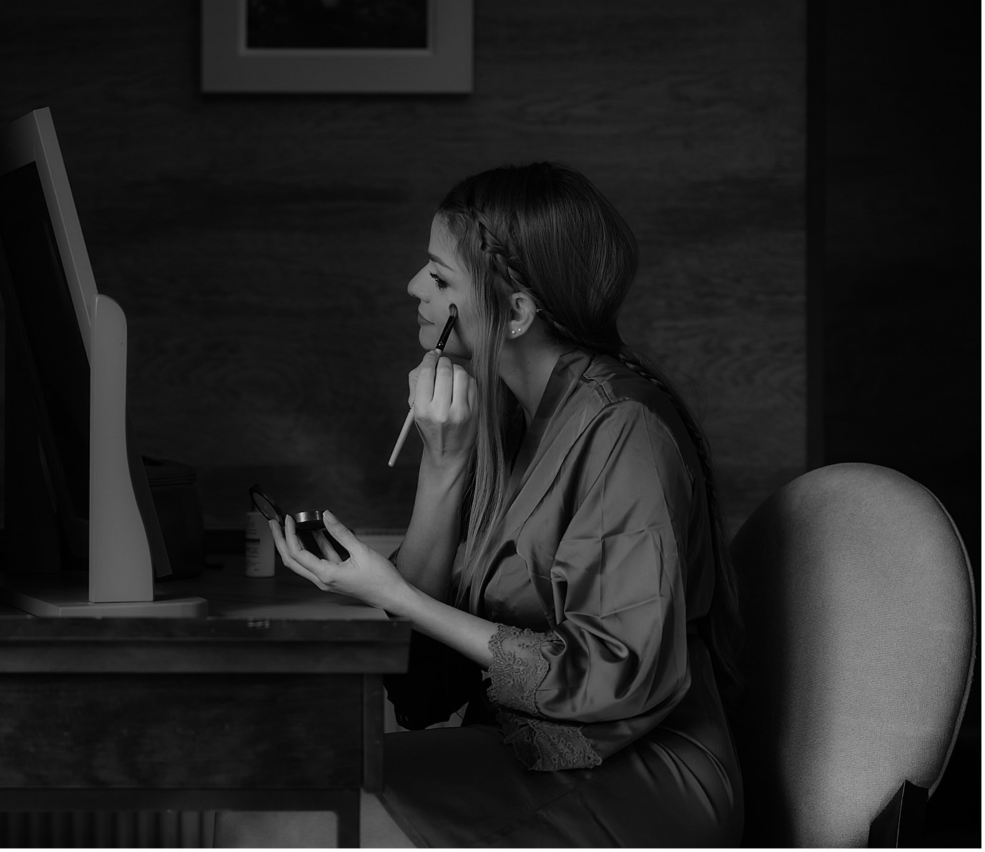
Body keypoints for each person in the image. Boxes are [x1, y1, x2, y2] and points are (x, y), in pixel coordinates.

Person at [216, 162, 744, 847]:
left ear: (517, 311)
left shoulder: (625, 431)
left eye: (438, 279)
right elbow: (425, 690)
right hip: (526, 753)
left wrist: (397, 595)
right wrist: (444, 464)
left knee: (300, 817)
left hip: (641, 776)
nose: (413, 287)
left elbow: (605, 677)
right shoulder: (506, 417)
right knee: (275, 786)